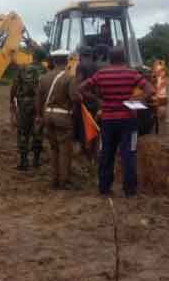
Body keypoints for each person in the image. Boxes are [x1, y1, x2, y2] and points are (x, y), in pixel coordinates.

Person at [78, 47, 155, 197]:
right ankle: (129, 190)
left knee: (106, 154)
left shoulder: (101, 74)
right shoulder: (132, 73)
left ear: (109, 59)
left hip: (107, 121)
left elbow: (81, 88)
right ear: (124, 58)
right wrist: (136, 100)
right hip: (128, 121)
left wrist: (98, 101)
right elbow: (150, 90)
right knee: (129, 154)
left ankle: (104, 189)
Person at [36, 50, 79, 189]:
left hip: (47, 116)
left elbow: (38, 99)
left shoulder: (43, 78)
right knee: (65, 150)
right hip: (63, 117)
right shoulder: (69, 78)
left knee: (53, 149)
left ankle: (54, 180)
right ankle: (64, 181)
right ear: (67, 61)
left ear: (53, 62)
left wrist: (39, 116)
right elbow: (74, 98)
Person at [10, 57, 42, 170]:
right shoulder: (44, 69)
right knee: (38, 132)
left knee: (23, 131)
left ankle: (24, 162)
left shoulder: (23, 69)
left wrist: (11, 101)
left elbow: (14, 86)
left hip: (25, 104)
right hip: (40, 105)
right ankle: (36, 161)